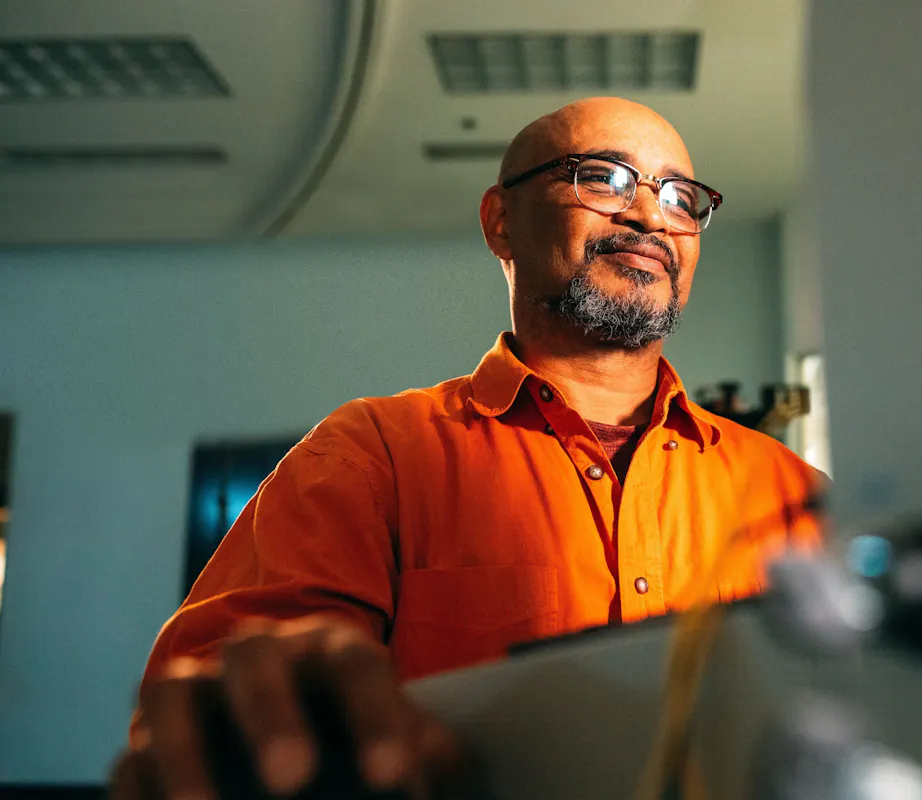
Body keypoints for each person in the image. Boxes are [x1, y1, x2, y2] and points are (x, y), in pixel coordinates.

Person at [111, 96, 824, 799]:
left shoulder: (792, 493)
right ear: (500, 222)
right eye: (602, 177)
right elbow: (218, 728)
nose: (646, 214)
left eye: (680, 196)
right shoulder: (370, 457)